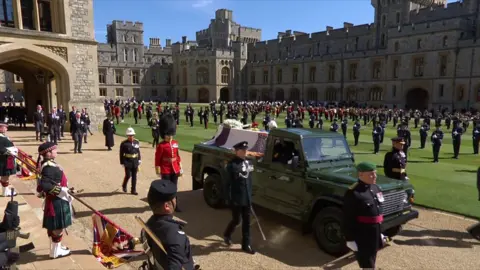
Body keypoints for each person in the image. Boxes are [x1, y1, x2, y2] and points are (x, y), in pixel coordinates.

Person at [343, 161, 388, 269]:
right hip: (362, 236)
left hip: (375, 234)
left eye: (375, 173)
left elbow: (378, 211)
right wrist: (350, 239)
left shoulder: (375, 188)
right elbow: (347, 218)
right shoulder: (353, 193)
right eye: (371, 174)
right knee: (368, 265)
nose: (374, 176)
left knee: (372, 260)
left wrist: (380, 231)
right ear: (360, 174)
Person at [144, 180, 195, 269]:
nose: (175, 200)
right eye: (174, 198)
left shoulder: (148, 225)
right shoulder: (175, 235)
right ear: (167, 206)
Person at [35, 142, 73, 259]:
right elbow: (45, 185)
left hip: (56, 200)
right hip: (57, 200)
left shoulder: (48, 164)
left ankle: (55, 249)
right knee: (58, 227)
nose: (57, 151)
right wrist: (63, 190)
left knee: (55, 227)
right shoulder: (49, 167)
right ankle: (56, 253)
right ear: (48, 153)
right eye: (54, 150)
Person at [223, 141, 255, 255]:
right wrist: (228, 198)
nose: (245, 152)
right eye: (242, 150)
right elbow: (227, 183)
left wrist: (251, 194)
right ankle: (227, 234)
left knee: (247, 222)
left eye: (246, 150)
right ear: (237, 151)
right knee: (237, 220)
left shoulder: (249, 162)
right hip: (236, 198)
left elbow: (249, 180)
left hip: (247, 197)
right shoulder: (231, 165)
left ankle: (246, 245)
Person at [155, 114, 183, 212]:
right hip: (165, 169)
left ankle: (175, 205)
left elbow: (177, 156)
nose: (170, 136)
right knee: (166, 189)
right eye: (168, 134)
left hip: (174, 168)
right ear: (164, 134)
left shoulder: (175, 143)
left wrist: (180, 166)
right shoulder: (161, 146)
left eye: (171, 134)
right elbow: (157, 158)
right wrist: (158, 169)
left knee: (174, 188)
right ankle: (166, 205)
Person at [119, 127, 141, 195]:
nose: (131, 137)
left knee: (134, 176)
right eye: (129, 135)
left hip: (135, 161)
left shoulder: (136, 142)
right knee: (128, 175)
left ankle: (133, 190)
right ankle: (124, 185)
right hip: (127, 161)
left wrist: (139, 159)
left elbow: (138, 151)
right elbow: (121, 154)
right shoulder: (124, 143)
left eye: (132, 135)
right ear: (127, 136)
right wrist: (122, 162)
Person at [0, 121, 17, 197]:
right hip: (4, 159)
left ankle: (6, 190)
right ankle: (5, 192)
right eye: (5, 127)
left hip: (7, 159)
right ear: (0, 128)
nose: (7, 128)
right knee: (5, 175)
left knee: (5, 175)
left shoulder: (3, 136)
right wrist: (8, 151)